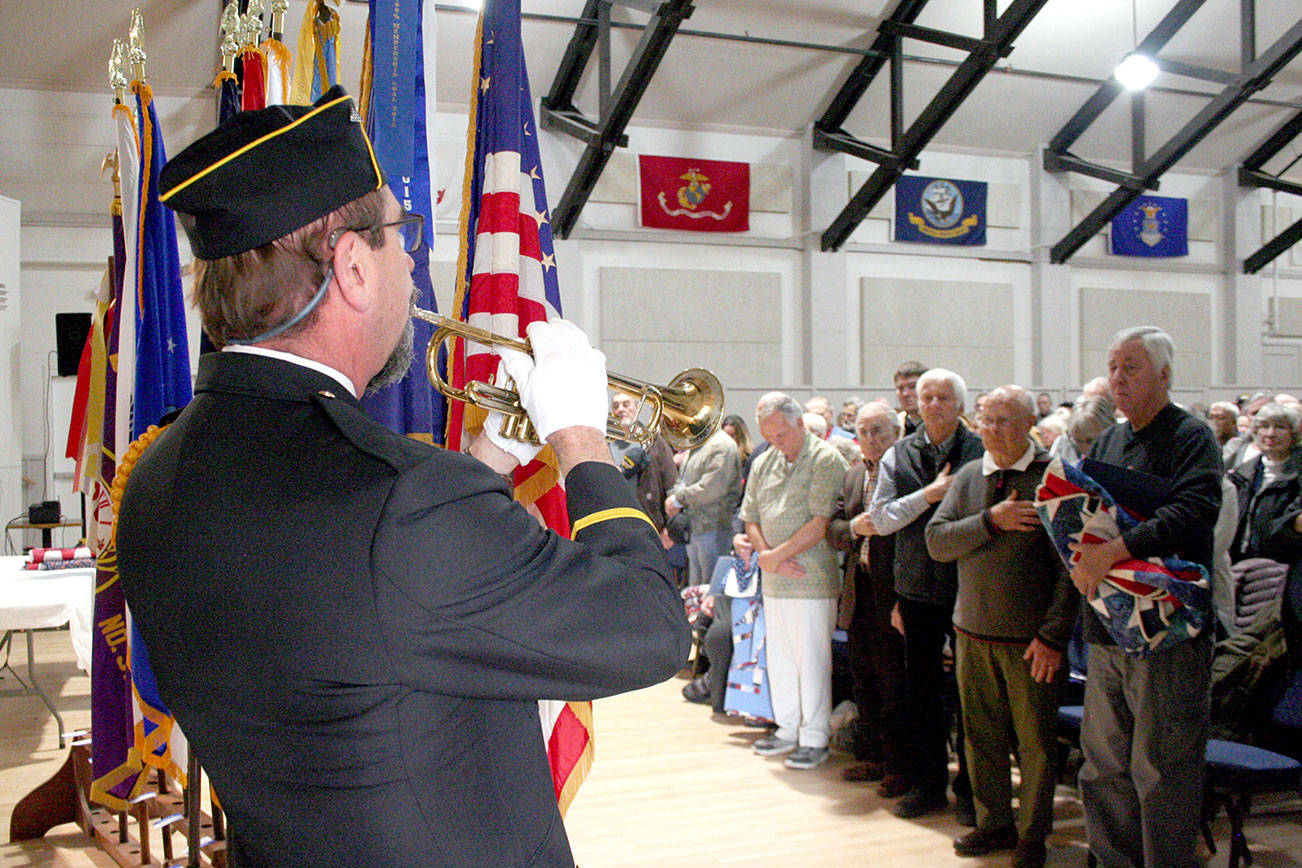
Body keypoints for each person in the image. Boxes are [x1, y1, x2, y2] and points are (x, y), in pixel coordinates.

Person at [115, 88, 690, 868]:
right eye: (399, 235)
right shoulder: (403, 503)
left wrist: (489, 459)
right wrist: (581, 435)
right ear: (352, 265)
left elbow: (359, 606)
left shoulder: (155, 475)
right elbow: (650, 628)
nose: (413, 261)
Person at [1068, 326, 1222, 868]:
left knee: (1161, 769)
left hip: (1169, 628)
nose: (1117, 378)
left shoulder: (1191, 436)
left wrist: (1113, 550)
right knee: (1103, 765)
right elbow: (1090, 516)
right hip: (1110, 625)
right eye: (1112, 367)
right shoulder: (1109, 440)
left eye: (1130, 367)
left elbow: (1193, 512)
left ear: (1164, 373)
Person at [926, 386, 1077, 868]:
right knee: (980, 736)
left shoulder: (1054, 479)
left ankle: (1033, 834)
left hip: (1031, 643)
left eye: (1005, 420)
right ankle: (994, 823)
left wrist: (1054, 635)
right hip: (972, 633)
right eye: (986, 419)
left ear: (1031, 421)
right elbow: (937, 542)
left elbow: (1072, 569)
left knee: (1034, 744)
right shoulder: (970, 475)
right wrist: (990, 520)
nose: (992, 429)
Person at [869, 368, 984, 822]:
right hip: (916, 589)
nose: (932, 405)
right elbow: (880, 519)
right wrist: (930, 495)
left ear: (959, 405)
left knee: (970, 697)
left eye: (942, 397)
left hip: (969, 589)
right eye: (926, 397)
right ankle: (928, 784)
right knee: (922, 695)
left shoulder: (980, 450)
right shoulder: (901, 452)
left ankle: (974, 791)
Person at [738, 392, 848, 770]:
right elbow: (750, 515)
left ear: (800, 423)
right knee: (780, 658)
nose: (774, 442)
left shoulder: (826, 459)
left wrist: (774, 557)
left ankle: (814, 736)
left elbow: (820, 522)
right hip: (775, 576)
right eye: (768, 436)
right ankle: (786, 728)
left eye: (781, 435)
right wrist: (768, 558)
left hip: (811, 577)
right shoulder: (764, 461)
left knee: (812, 660)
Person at [826, 402, 906, 793]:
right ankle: (871, 756)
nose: (871, 439)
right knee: (865, 680)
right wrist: (855, 527)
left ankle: (897, 764)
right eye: (865, 431)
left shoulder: (907, 475)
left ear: (897, 434)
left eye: (880, 431)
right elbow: (835, 530)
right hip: (858, 590)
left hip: (894, 593)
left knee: (895, 684)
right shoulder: (853, 474)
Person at [666, 424, 742, 588]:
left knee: (712, 589)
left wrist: (678, 498)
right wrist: (674, 496)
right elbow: (683, 479)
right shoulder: (698, 445)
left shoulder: (722, 445)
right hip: (695, 528)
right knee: (696, 589)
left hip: (713, 527)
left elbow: (711, 489)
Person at [609, 389, 678, 530]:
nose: (620, 409)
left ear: (637, 407)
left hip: (649, 523)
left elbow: (671, 482)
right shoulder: (604, 442)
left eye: (626, 404)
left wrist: (668, 528)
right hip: (616, 522)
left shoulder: (654, 441)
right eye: (616, 406)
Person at [894, 360, 927, 436]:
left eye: (912, 387)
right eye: (901, 388)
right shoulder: (894, 426)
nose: (905, 394)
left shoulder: (943, 424)